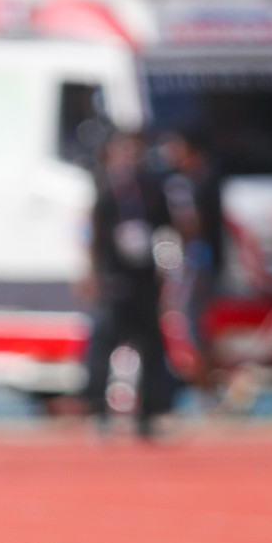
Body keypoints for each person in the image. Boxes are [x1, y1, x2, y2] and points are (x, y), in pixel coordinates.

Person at [79, 130, 173, 438]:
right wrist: (92, 274)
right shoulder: (106, 190)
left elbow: (168, 232)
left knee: (151, 346)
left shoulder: (154, 190)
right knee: (104, 343)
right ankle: (98, 412)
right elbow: (92, 236)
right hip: (113, 278)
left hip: (144, 278)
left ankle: (149, 415)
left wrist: (167, 268)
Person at [158, 130, 224, 389]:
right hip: (192, 261)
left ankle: (204, 383)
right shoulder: (187, 180)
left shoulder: (196, 182)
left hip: (195, 262)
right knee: (188, 322)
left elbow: (193, 225)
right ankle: (201, 381)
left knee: (190, 321)